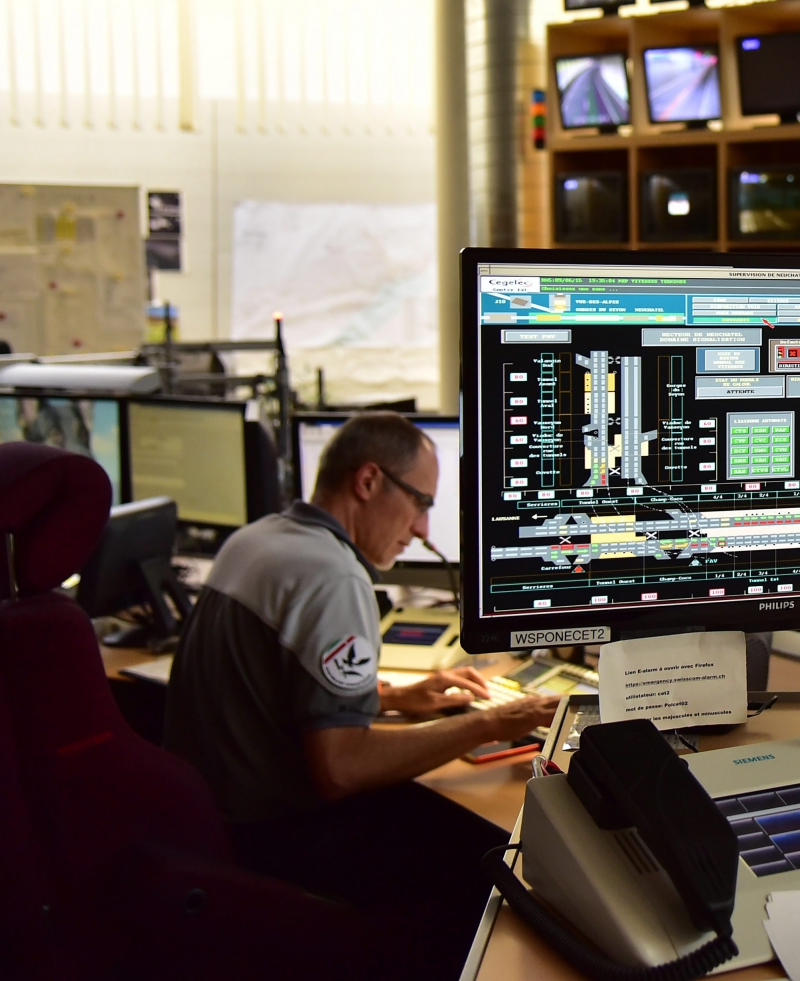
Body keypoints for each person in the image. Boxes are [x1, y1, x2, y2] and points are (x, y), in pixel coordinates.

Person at [165, 411, 558, 981]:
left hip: (209, 826)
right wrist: (492, 723)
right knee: (485, 850)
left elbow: (270, 692)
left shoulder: (255, 540)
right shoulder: (333, 577)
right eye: (420, 502)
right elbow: (340, 770)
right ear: (368, 481)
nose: (423, 528)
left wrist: (395, 697)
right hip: (274, 837)